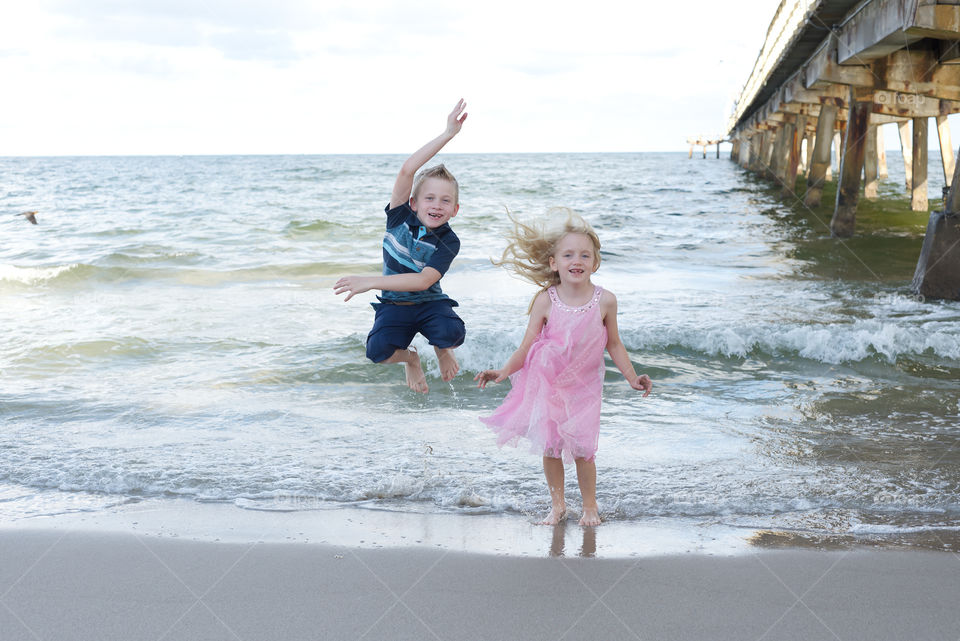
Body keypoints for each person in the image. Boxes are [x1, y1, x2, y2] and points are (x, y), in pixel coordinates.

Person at [474, 209, 652, 526]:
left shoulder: (605, 300)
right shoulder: (546, 300)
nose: (577, 260)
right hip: (549, 386)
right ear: (554, 263)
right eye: (568, 254)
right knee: (552, 449)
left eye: (585, 255)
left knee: (584, 451)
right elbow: (526, 347)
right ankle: (557, 506)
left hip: (584, 388)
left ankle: (589, 507)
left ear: (595, 262)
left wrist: (631, 377)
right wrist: (503, 371)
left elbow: (614, 344)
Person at [334, 100, 468, 394]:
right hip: (394, 307)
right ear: (413, 203)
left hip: (430, 305)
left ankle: (441, 348)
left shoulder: (449, 240)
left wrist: (370, 282)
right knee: (377, 351)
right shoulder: (398, 217)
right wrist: (448, 134)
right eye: (430, 198)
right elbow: (408, 170)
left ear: (455, 209)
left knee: (451, 333)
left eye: (445, 201)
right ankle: (411, 358)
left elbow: (423, 281)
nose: (437, 205)